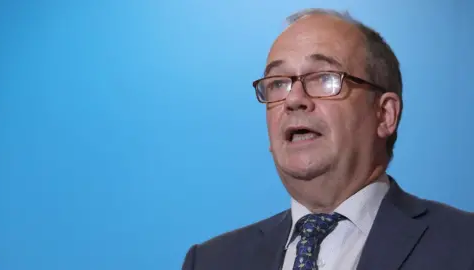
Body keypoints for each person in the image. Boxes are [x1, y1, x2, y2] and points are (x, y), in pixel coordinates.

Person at [182, 8, 474, 270]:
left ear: (385, 114)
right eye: (278, 83)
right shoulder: (210, 261)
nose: (294, 99)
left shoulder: (463, 245)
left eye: (324, 78)